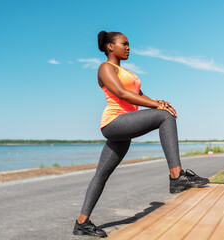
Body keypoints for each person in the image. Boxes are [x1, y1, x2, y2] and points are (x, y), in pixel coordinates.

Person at [73, 31, 209, 238]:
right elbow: (121, 93)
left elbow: (138, 95)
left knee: (101, 174)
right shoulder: (105, 68)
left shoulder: (126, 72)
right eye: (124, 44)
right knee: (165, 117)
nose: (128, 47)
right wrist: (157, 108)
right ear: (110, 46)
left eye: (129, 44)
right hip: (114, 122)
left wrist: (158, 102)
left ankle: (81, 223)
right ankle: (176, 176)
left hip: (124, 127)